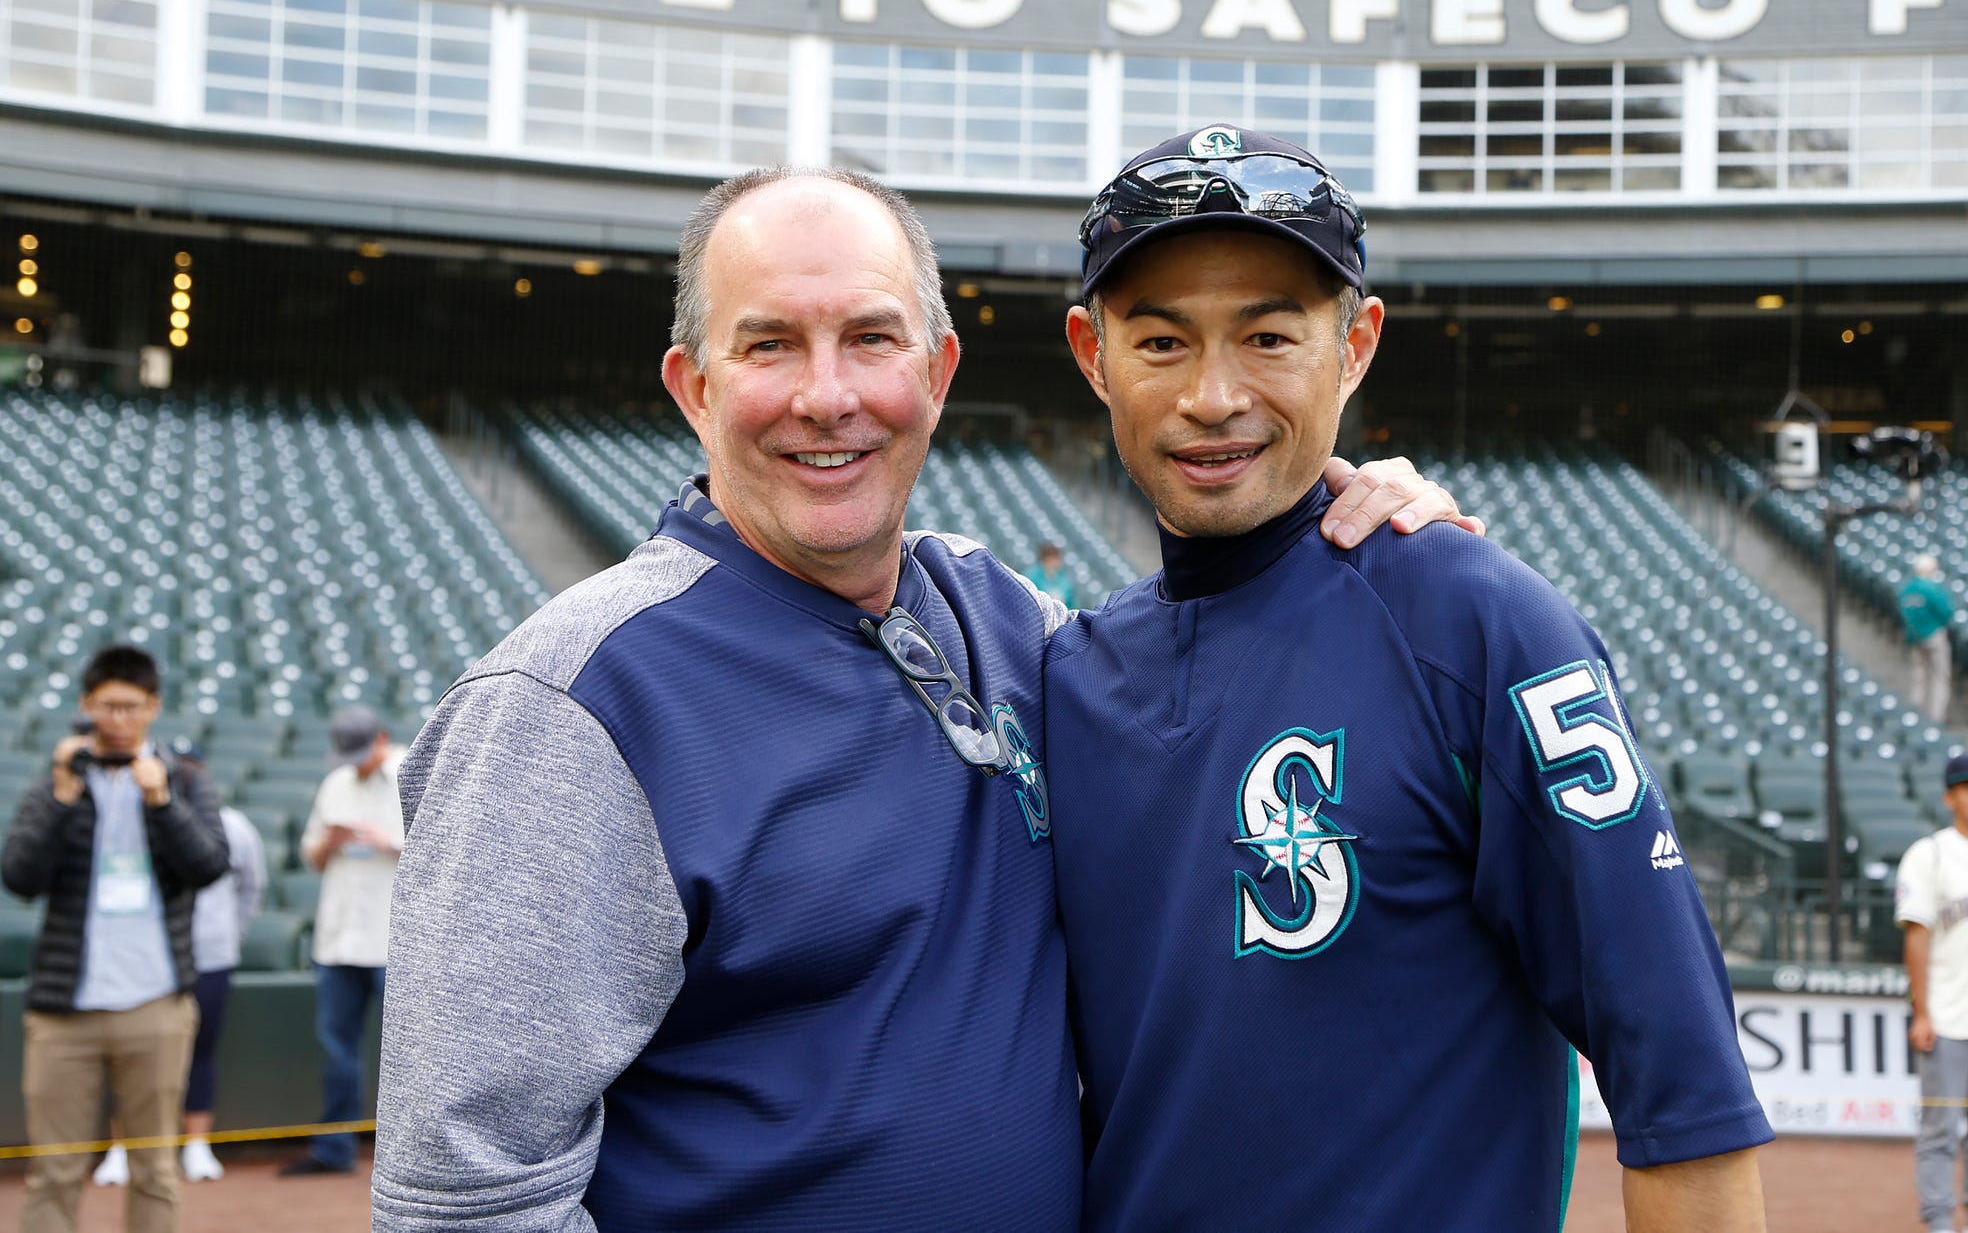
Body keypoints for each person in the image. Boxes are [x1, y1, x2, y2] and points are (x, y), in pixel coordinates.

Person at [371, 166, 1472, 1231]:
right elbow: (463, 1191)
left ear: (936, 371)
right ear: (695, 389)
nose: (826, 395)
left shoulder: (1010, 625)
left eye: (868, 338)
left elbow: (1209, 685)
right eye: (768, 345)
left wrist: (1362, 536)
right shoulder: (574, 700)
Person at [1049, 125, 1772, 1230]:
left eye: (1269, 336)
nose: (1212, 394)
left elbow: (1682, 1087)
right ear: (1091, 354)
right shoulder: (1059, 675)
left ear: (1355, 344)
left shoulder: (1475, 623)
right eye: (1158, 342)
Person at [0, 644, 229, 1233]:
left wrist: (161, 801)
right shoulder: (59, 781)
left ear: (152, 706)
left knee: (155, 1168)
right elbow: (20, 877)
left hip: (155, 1005)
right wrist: (60, 794)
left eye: (131, 707)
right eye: (107, 707)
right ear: (87, 706)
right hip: (63, 1012)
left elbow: (208, 866)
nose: (119, 720)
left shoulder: (185, 779)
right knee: (54, 1170)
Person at [92, 739, 266, 1188]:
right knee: (129, 1054)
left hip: (210, 954)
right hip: (153, 956)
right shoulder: (141, 815)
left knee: (201, 1053)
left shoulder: (234, 826)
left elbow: (251, 887)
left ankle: (196, 1145)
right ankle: (122, 1147)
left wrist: (232, 934)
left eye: (193, 767)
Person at [282, 706, 403, 1178]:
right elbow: (311, 857)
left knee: (409, 1055)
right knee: (338, 1050)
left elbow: (444, 854)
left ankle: (409, 1161)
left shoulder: (413, 772)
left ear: (382, 738)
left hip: (393, 941)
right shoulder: (336, 784)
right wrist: (330, 842)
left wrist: (385, 839)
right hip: (338, 939)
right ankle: (335, 1149)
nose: (356, 760)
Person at [1897, 749, 1968, 1233]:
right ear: (1949, 797)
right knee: (1941, 1130)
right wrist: (1923, 1011)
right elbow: (1916, 936)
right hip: (1950, 1014)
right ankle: (1939, 1223)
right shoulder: (1930, 853)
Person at [1903, 553, 1955, 725]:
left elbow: (1904, 612)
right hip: (1933, 636)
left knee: (1919, 677)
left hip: (1915, 636)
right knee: (1939, 677)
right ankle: (1936, 717)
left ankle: (1916, 715)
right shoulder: (1932, 589)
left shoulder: (1908, 589)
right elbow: (1946, 612)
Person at [1026, 541, 1077, 610]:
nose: (1054, 561)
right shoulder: (1032, 575)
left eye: (1056, 557)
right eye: (1050, 557)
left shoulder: (1064, 579)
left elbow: (1071, 604)